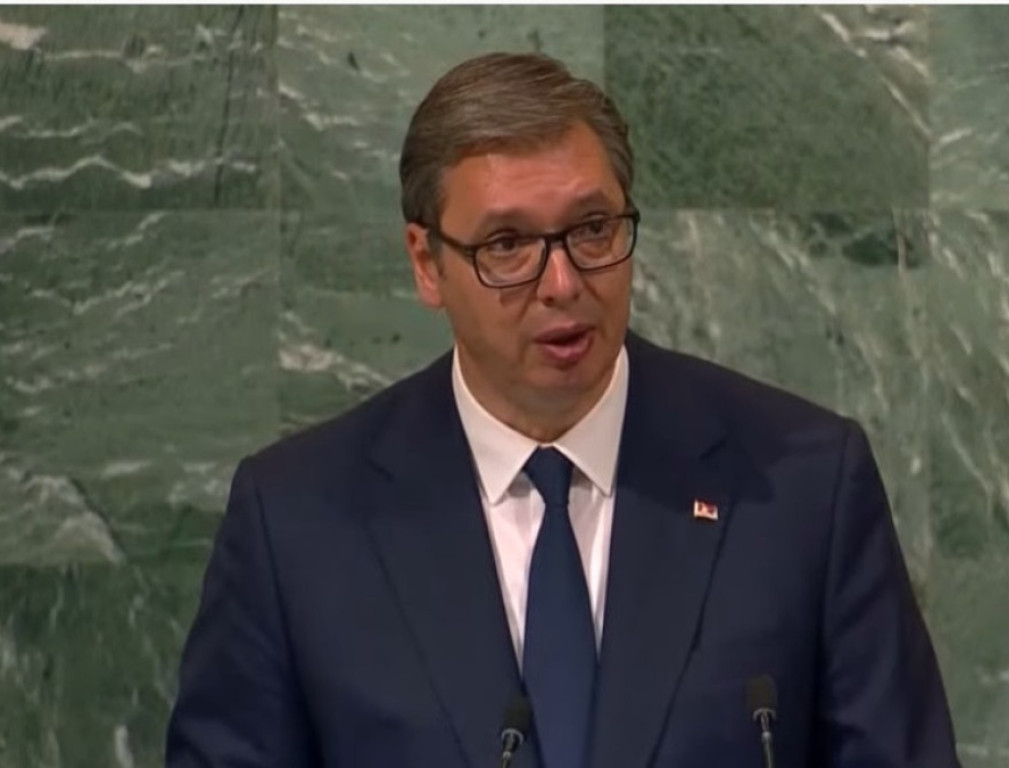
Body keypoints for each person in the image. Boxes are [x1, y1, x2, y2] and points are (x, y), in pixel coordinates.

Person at [165, 52, 960, 768]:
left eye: (592, 229)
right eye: (507, 244)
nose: (564, 282)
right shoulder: (298, 521)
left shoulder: (801, 487)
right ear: (427, 263)